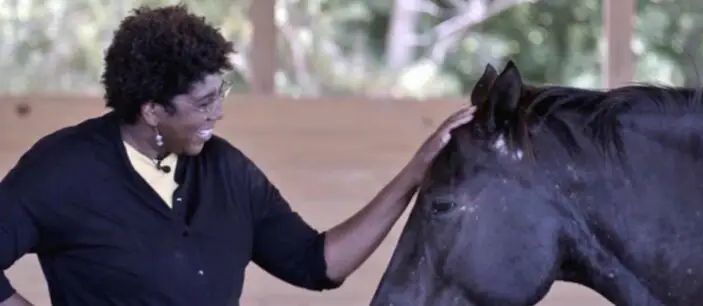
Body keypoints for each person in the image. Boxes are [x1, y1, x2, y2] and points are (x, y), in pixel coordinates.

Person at [0, 4, 476, 306]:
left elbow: (319, 265)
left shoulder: (227, 171)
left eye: (221, 93)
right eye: (204, 103)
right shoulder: (60, 171)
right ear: (150, 109)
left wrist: (415, 172)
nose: (220, 112)